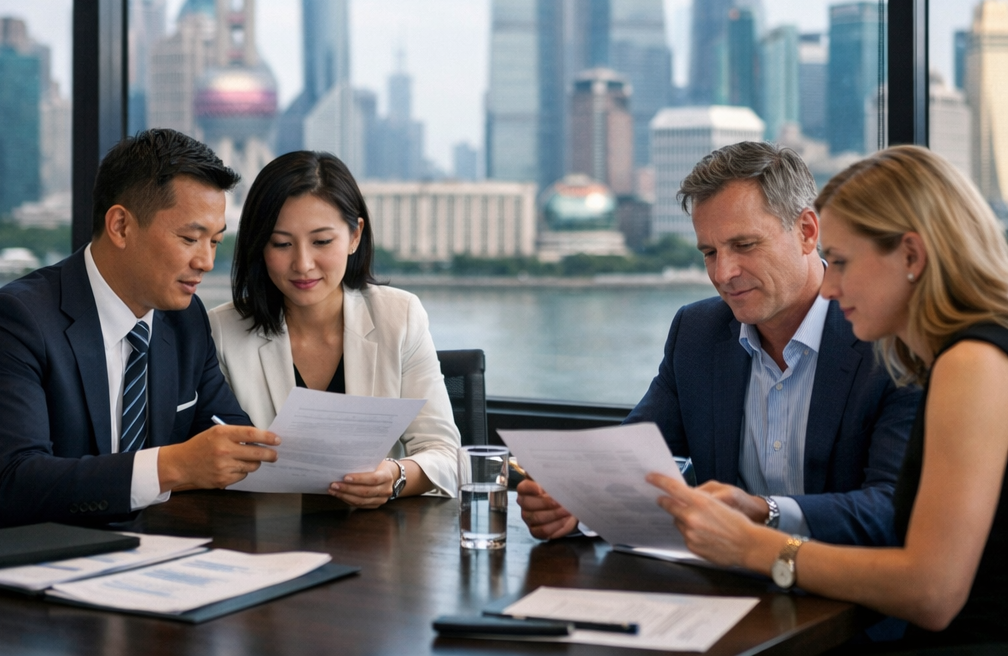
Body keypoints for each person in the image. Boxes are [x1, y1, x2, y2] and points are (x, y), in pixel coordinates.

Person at [650, 146, 1008, 645]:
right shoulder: (960, 353)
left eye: (839, 262)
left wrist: (753, 544)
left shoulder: (972, 361)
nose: (830, 286)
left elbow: (931, 593)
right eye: (710, 253)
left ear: (911, 255)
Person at [519, 142, 919, 546]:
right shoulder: (697, 332)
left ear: (806, 232)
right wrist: (576, 507)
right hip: (726, 590)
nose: (724, 273)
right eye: (709, 252)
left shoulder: (888, 342)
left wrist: (766, 512)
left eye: (744, 245)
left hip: (844, 593)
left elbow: (890, 508)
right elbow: (634, 467)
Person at [0, 130, 279, 529]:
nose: (206, 261)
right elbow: (10, 483)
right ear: (120, 225)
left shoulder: (186, 320)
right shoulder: (16, 321)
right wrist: (170, 466)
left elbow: (228, 438)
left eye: (215, 242)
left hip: (158, 554)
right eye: (191, 238)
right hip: (47, 563)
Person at [209, 151, 460, 506]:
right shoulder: (221, 331)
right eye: (281, 244)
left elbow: (446, 454)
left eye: (322, 241)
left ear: (355, 236)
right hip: (266, 538)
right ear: (259, 246)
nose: (303, 264)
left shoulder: (399, 316)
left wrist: (394, 477)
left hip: (376, 541)